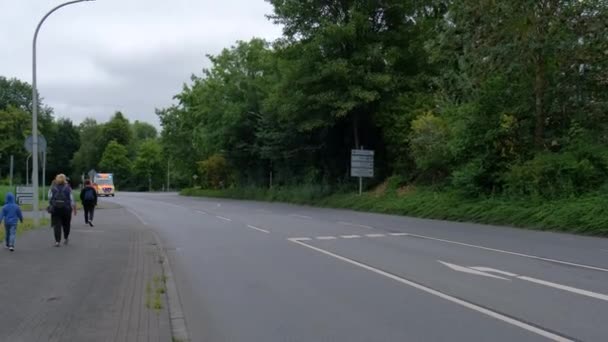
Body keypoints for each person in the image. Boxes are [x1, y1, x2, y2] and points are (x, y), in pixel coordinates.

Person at [49, 174, 76, 247]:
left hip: (55, 208)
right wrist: (73, 208)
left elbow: (49, 197)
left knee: (57, 225)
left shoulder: (53, 188)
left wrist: (51, 204)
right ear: (64, 180)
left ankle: (57, 241)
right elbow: (72, 199)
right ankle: (66, 237)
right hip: (66, 208)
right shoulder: (68, 188)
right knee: (66, 224)